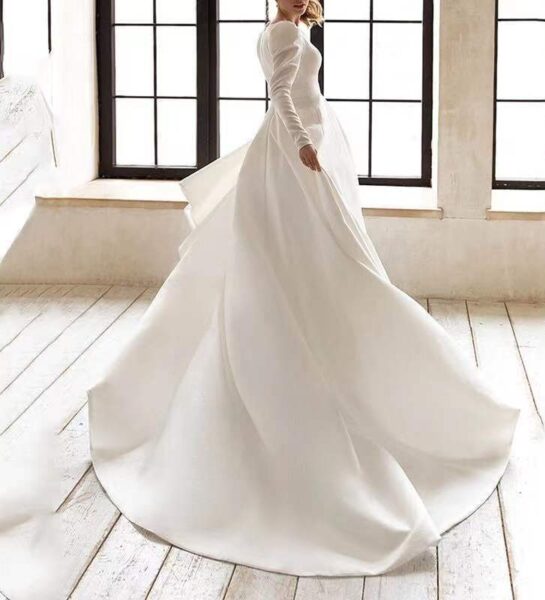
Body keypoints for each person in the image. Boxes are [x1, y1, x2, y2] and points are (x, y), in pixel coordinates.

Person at [87, 0, 520, 577]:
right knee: (305, 259)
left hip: (297, 148)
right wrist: (302, 145)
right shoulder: (285, 31)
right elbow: (283, 95)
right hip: (297, 152)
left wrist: (304, 139)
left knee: (308, 256)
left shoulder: (282, 28)